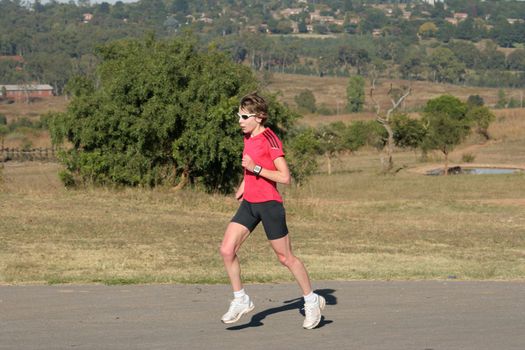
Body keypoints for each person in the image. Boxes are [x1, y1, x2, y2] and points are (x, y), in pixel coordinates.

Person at [219, 92, 325, 329]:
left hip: (269, 205)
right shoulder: (247, 137)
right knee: (227, 250)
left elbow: (285, 177)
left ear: (258, 117)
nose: (240, 120)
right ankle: (241, 299)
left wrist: (254, 168)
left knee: (285, 257)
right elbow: (251, 168)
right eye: (238, 115)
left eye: (244, 116)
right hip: (250, 204)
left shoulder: (271, 139)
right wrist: (244, 185)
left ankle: (311, 300)